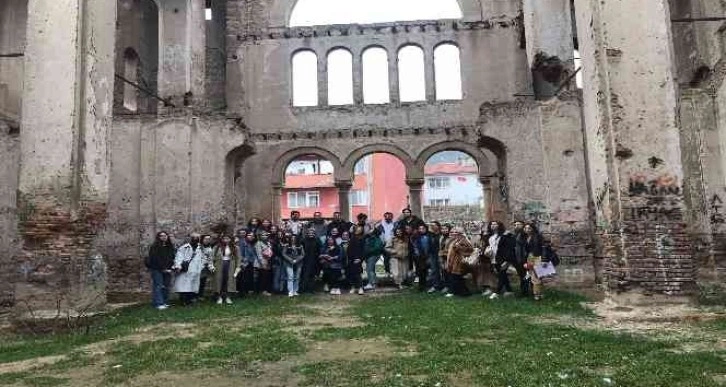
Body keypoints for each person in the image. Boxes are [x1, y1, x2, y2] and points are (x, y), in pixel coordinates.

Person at [172, 233, 206, 306]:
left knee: (193, 286)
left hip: (196, 270)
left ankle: (190, 300)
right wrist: (178, 266)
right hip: (186, 269)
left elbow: (203, 258)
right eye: (194, 237)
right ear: (191, 238)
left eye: (197, 237)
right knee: (184, 286)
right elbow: (179, 257)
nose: (196, 239)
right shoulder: (184, 247)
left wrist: (201, 266)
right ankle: (184, 301)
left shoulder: (200, 248)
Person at [145, 231, 175, 310]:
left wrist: (170, 268)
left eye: (165, 235)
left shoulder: (170, 246)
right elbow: (154, 259)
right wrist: (163, 268)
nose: (163, 237)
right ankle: (158, 303)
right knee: (158, 286)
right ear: (158, 237)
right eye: (161, 236)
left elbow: (172, 258)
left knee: (166, 286)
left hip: (168, 270)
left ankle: (164, 302)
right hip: (157, 269)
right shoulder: (154, 246)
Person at [487, 221, 517, 299]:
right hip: (494, 258)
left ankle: (496, 292)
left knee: (501, 274)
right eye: (491, 224)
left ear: (499, 225)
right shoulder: (491, 237)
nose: (492, 225)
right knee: (502, 275)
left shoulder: (505, 235)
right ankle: (509, 291)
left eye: (495, 224)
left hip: (503, 258)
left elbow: (509, 248)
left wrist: (506, 260)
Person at [445, 227, 475, 297]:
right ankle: (460, 292)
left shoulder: (464, 240)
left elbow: (470, 250)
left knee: (456, 277)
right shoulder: (454, 240)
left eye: (456, 233)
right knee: (456, 277)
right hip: (453, 262)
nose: (454, 234)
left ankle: (460, 292)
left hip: (459, 262)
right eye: (453, 232)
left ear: (461, 234)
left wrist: (459, 247)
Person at [213, 234, 240, 305]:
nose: (226, 240)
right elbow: (212, 257)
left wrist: (238, 267)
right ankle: (219, 297)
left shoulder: (235, 247)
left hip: (231, 265)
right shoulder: (217, 247)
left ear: (230, 239)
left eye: (227, 238)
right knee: (220, 280)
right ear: (222, 239)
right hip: (219, 265)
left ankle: (228, 296)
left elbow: (238, 258)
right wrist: (212, 265)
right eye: (224, 238)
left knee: (229, 280)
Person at [522, 223, 545, 300]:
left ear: (532, 228)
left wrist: (543, 258)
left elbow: (543, 247)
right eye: (525, 228)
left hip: (537, 257)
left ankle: (537, 294)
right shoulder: (526, 237)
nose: (526, 229)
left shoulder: (537, 236)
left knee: (536, 276)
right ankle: (540, 293)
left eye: (529, 228)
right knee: (533, 276)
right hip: (530, 257)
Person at [512, 220, 531, 296]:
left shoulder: (525, 235)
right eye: (515, 224)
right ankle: (524, 291)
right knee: (522, 275)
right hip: (518, 259)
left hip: (526, 259)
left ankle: (527, 291)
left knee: (527, 275)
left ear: (523, 226)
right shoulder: (515, 235)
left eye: (518, 224)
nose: (516, 226)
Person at [411, 224, 432, 292]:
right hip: (419, 257)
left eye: (423, 228)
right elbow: (415, 247)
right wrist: (418, 255)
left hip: (428, 256)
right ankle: (421, 286)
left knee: (427, 272)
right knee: (421, 272)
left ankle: (428, 285)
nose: (421, 230)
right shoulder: (416, 237)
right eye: (420, 228)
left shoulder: (429, 236)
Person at [347, 226, 366, 295]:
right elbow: (349, 249)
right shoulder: (352, 238)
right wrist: (350, 258)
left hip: (358, 259)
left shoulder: (363, 239)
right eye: (357, 229)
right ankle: (353, 287)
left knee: (358, 274)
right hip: (351, 259)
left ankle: (360, 287)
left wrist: (360, 259)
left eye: (360, 230)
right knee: (351, 274)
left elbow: (364, 251)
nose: (358, 230)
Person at [301, 229, 322, 293]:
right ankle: (304, 289)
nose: (311, 234)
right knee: (305, 275)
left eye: (312, 233)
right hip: (305, 260)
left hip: (314, 260)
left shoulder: (317, 240)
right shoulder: (303, 240)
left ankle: (311, 289)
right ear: (307, 233)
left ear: (314, 233)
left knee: (312, 275)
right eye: (309, 233)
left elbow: (319, 250)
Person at [254, 231, 274, 296]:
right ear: (260, 236)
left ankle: (265, 289)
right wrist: (262, 263)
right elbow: (259, 254)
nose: (264, 236)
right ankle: (262, 290)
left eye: (266, 235)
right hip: (262, 262)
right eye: (263, 235)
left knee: (266, 276)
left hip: (268, 261)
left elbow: (270, 250)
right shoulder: (258, 243)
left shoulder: (268, 243)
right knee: (262, 276)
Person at [197, 234, 215, 302]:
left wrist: (211, 267)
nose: (207, 240)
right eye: (206, 239)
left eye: (209, 239)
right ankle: (193, 296)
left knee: (202, 282)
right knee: (195, 282)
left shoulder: (210, 249)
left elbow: (210, 259)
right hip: (195, 267)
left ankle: (200, 295)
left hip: (204, 268)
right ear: (202, 239)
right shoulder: (197, 246)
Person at [427, 223, 443, 293]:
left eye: (434, 225)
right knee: (434, 270)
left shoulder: (441, 235)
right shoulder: (430, 235)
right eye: (431, 225)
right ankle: (435, 285)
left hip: (440, 254)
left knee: (443, 270)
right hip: (432, 254)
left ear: (438, 226)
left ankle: (444, 285)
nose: (433, 227)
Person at [438, 224, 453, 294]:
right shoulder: (441, 237)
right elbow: (440, 248)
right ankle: (446, 286)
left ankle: (451, 287)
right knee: (444, 272)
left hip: (449, 257)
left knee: (450, 272)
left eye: (446, 229)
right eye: (443, 229)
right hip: (443, 257)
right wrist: (440, 256)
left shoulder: (451, 237)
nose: (444, 230)